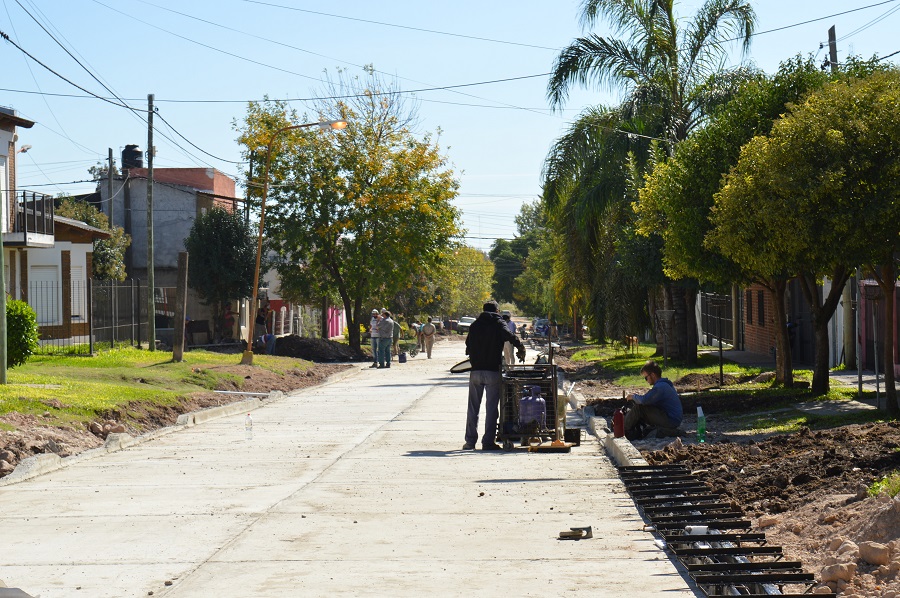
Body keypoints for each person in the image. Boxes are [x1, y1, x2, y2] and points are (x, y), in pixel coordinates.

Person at [463, 300, 526, 451]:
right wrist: (520, 347)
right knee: (491, 408)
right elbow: (510, 336)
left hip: (475, 371)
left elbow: (467, 345)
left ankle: (470, 442)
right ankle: (487, 442)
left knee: (473, 408)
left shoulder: (475, 325)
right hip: (492, 372)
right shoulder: (498, 323)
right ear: (497, 311)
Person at [625, 360, 683, 439]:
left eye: (646, 378)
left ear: (652, 375)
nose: (646, 380)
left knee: (639, 408)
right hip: (672, 418)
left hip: (670, 420)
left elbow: (644, 400)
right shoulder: (663, 384)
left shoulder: (660, 387)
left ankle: (624, 430)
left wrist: (633, 396)